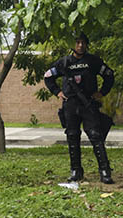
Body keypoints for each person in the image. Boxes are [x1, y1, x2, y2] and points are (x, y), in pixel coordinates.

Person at [44, 32, 116, 184]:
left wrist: (102, 92)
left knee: (96, 136)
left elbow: (109, 75)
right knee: (72, 136)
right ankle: (76, 171)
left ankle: (104, 171)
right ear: (72, 44)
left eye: (83, 42)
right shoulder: (64, 62)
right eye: (77, 42)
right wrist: (57, 92)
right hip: (70, 105)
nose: (80, 45)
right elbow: (48, 76)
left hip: (88, 104)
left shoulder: (93, 61)